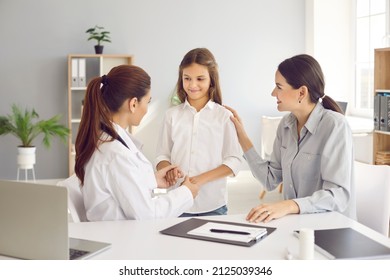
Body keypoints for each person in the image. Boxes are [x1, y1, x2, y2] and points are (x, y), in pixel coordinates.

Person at [225, 54, 356, 223]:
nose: (273, 93)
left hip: (331, 229)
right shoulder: (286, 125)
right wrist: (241, 136)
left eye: (279, 87)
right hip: (297, 226)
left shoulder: (335, 126)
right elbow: (269, 180)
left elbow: (338, 195)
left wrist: (288, 206)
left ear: (301, 92)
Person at [74, 64, 199, 221]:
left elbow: (119, 184)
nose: (147, 108)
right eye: (148, 101)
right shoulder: (115, 154)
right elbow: (147, 215)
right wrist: (186, 192)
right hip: (122, 238)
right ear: (133, 104)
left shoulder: (105, 139)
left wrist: (152, 180)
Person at [155, 48, 243, 216]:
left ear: (212, 80)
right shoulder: (171, 115)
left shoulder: (224, 116)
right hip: (176, 203)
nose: (192, 85)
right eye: (187, 78)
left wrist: (198, 180)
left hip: (213, 205)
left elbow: (234, 160)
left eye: (200, 79)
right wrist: (169, 169)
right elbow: (162, 156)